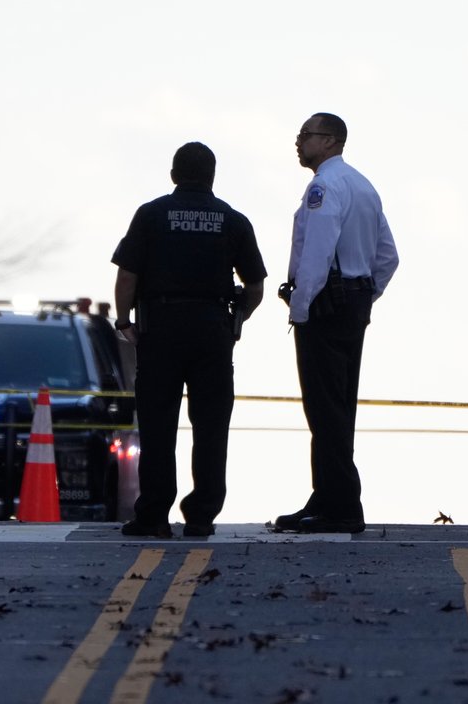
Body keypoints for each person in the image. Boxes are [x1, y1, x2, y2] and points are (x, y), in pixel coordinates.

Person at [111, 141, 266, 538]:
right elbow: (255, 285)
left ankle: (153, 515)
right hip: (212, 330)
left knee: (158, 424)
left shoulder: (150, 215)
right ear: (212, 176)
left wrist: (125, 320)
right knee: (212, 425)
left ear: (174, 175)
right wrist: (238, 319)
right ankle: (201, 514)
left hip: (160, 327)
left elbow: (127, 275)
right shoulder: (233, 220)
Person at [272, 112, 398, 534]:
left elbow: (318, 252)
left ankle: (341, 504)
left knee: (324, 407)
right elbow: (387, 256)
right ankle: (327, 495)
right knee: (339, 405)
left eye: (305, 134)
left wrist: (301, 305)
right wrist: (366, 293)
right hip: (352, 302)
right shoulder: (364, 186)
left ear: (329, 141)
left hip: (327, 304)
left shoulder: (324, 187)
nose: (298, 141)